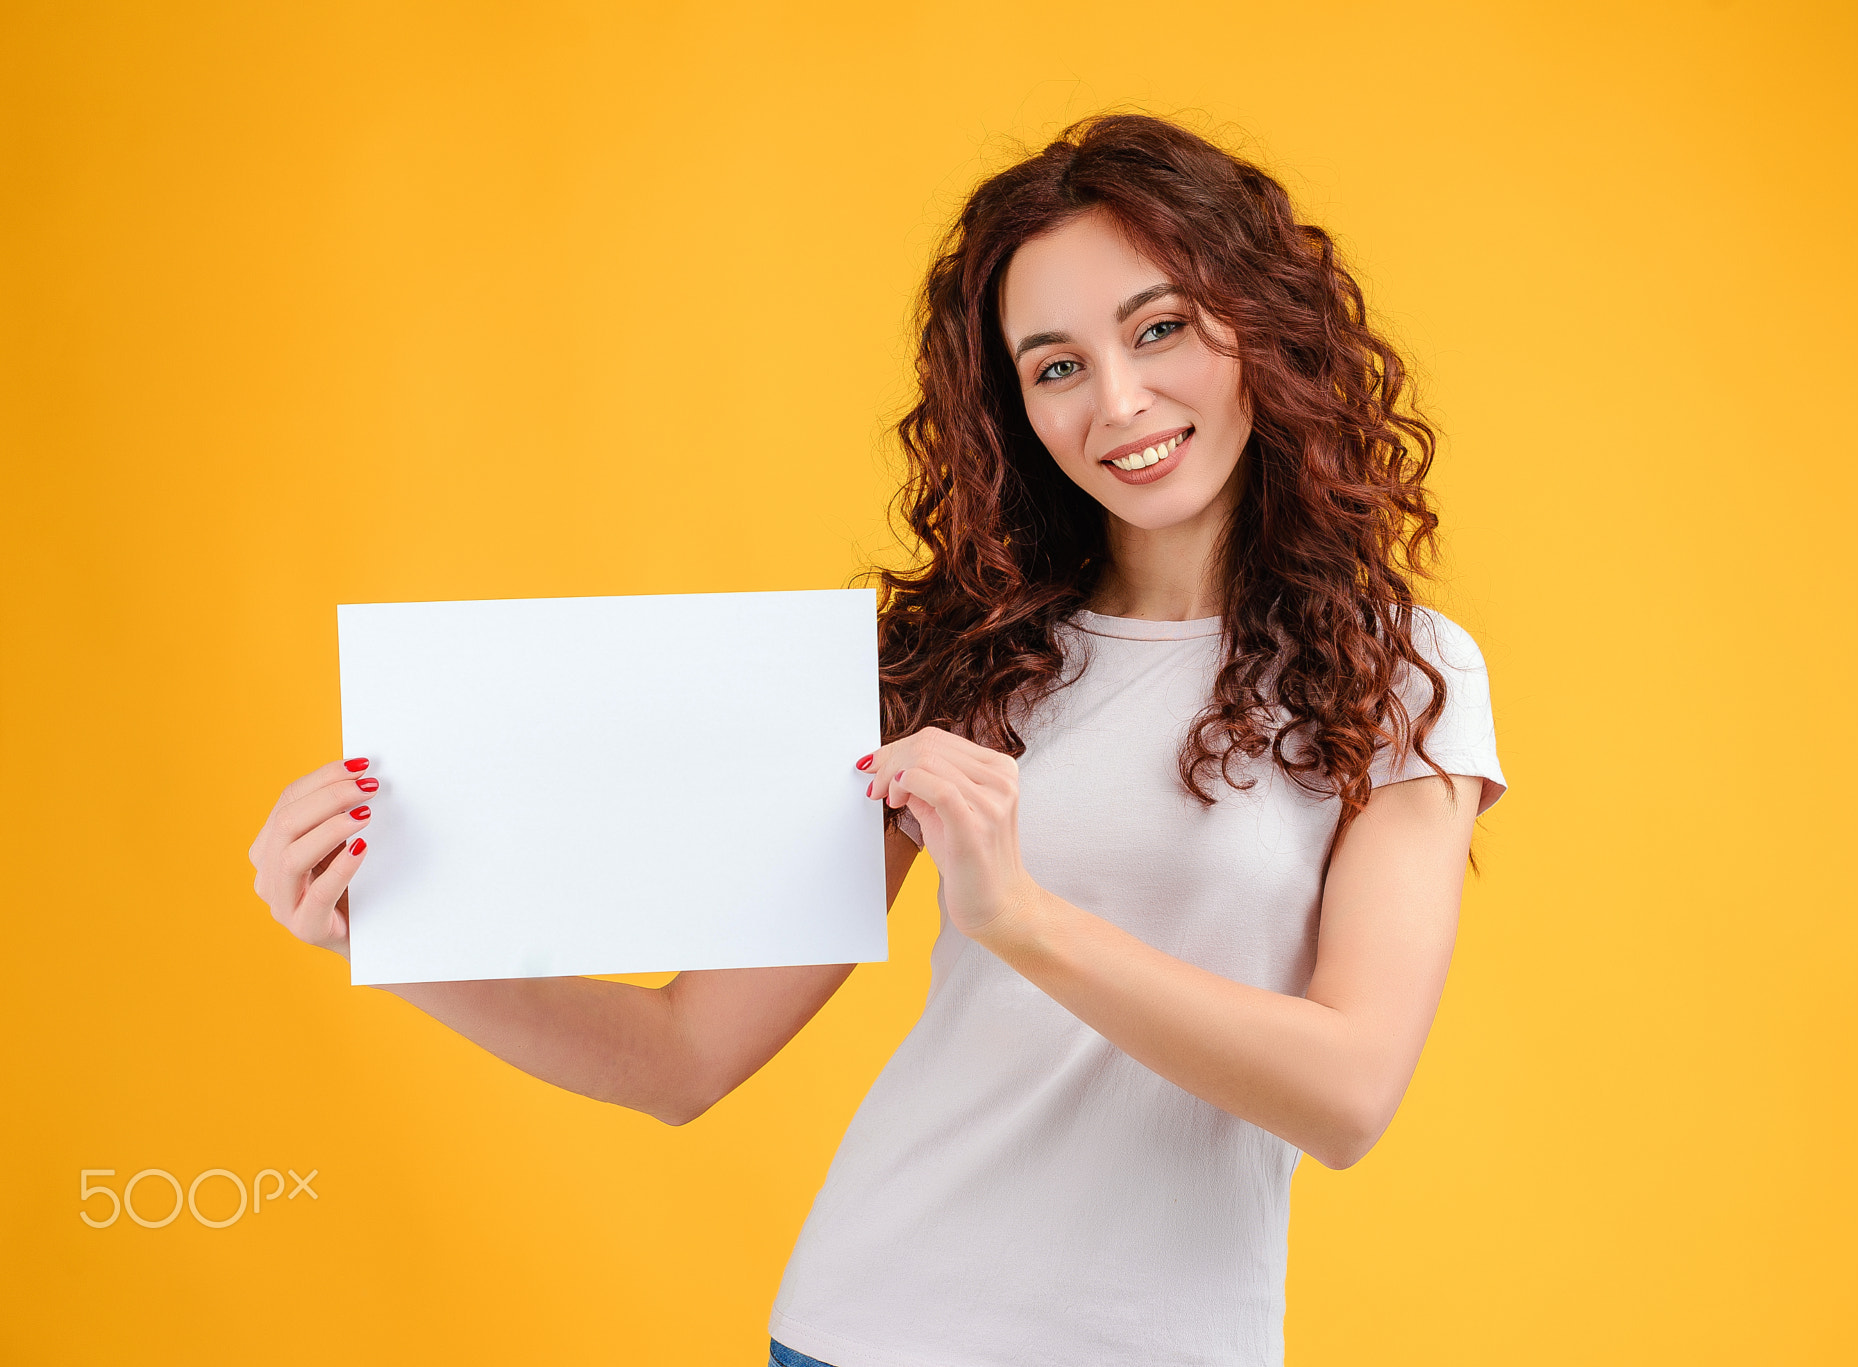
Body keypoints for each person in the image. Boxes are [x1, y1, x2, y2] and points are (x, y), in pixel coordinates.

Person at [248, 113, 1506, 1367]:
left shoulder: (1401, 675)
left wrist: (1021, 917)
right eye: (1053, 365)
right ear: (1013, 405)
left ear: (1262, 327)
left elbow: (1346, 1094)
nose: (1118, 401)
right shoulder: (965, 662)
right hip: (866, 1327)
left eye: (1159, 326)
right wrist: (391, 934)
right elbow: (683, 1054)